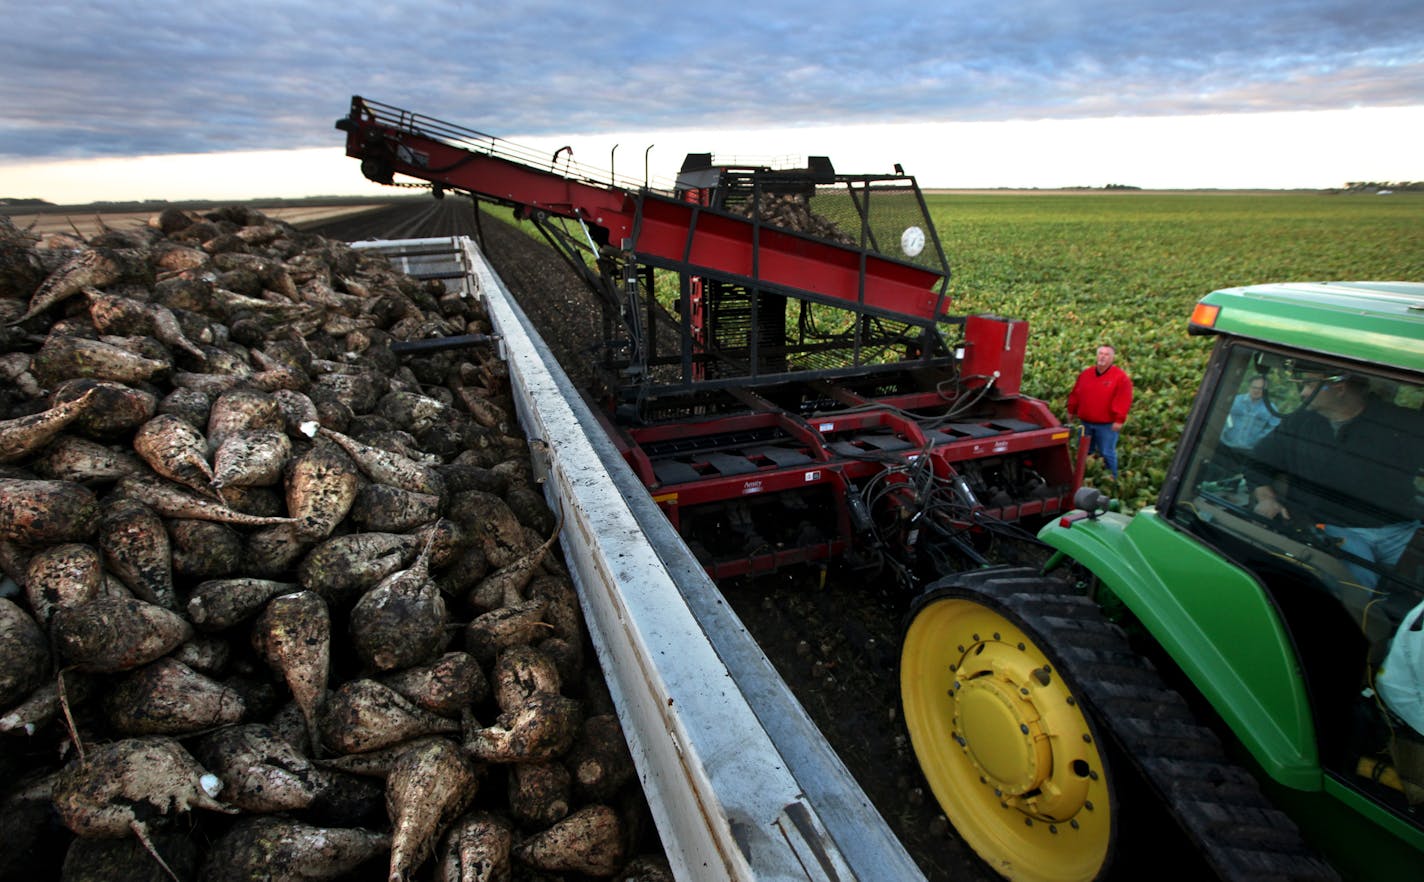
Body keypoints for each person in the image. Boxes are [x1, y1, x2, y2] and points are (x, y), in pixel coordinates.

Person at [1248, 365, 1423, 586]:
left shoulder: (1401, 423)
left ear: (1339, 388)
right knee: (1357, 592)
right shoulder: (1300, 422)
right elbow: (1257, 463)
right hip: (1335, 529)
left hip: (1400, 531)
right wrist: (1266, 498)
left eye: (1310, 385)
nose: (1302, 394)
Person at [1067, 345, 1134, 479]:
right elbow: (1076, 393)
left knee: (1107, 452)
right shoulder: (1086, 374)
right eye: (1100, 354)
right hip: (1086, 422)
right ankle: (1083, 477)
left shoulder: (1120, 377)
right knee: (1084, 452)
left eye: (1106, 354)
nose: (1102, 357)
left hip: (1106, 424)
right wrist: (1071, 410)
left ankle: (1112, 479)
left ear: (1112, 358)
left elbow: (1123, 399)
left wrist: (1119, 419)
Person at [1220, 375, 1280, 451]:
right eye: (1254, 387)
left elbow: (1273, 429)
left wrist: (1258, 441)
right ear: (1249, 387)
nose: (1256, 391)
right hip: (1225, 445)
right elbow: (1220, 417)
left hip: (1250, 452)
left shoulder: (1271, 409)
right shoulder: (1235, 401)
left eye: (1260, 388)